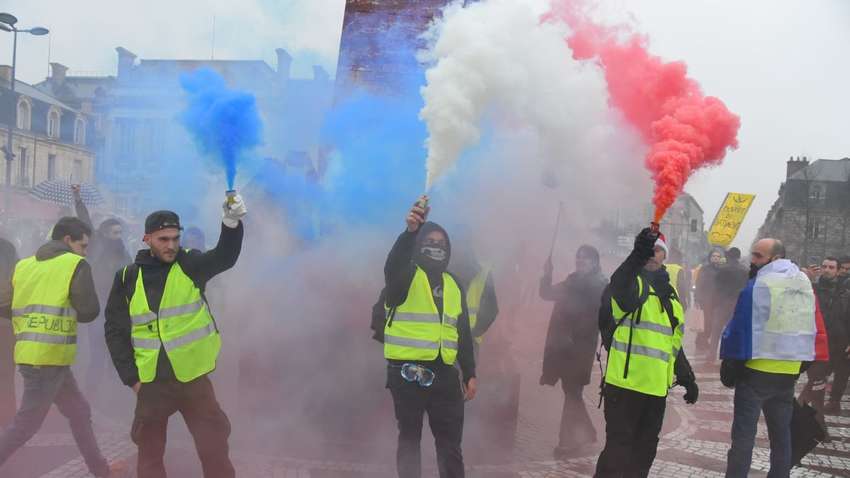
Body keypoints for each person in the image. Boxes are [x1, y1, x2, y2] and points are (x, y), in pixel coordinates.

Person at [104, 194, 247, 478]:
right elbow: (114, 331)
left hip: (194, 380)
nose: (171, 245)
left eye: (174, 238)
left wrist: (231, 223)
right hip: (152, 384)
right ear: (147, 239)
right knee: (149, 459)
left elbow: (224, 257)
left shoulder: (190, 265)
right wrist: (132, 379)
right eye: (163, 239)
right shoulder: (127, 278)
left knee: (215, 450)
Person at [0, 217, 125, 477]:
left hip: (36, 355)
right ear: (68, 240)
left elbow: (5, 305)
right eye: (84, 245)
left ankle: (100, 470)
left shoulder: (25, 265)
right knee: (25, 425)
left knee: (79, 412)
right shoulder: (75, 264)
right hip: (49, 358)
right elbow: (89, 311)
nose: (86, 251)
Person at [382, 196, 477, 478]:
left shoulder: (453, 283)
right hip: (407, 373)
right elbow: (392, 267)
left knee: (450, 445)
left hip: (445, 375)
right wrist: (409, 233)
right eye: (430, 242)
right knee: (410, 440)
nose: (436, 247)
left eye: (442, 244)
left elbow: (462, 331)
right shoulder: (406, 275)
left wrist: (470, 371)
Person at [595, 229, 698, 477]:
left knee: (643, 454)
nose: (653, 254)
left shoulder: (671, 297)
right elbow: (620, 283)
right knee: (617, 454)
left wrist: (687, 377)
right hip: (625, 385)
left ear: (665, 255)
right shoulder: (631, 284)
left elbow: (671, 343)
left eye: (659, 250)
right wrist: (636, 254)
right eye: (649, 250)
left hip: (655, 391)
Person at [720, 239, 818, 477]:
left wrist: (730, 364)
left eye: (758, 256)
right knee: (781, 436)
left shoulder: (760, 284)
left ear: (774, 258)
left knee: (743, 437)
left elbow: (740, 327)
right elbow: (810, 324)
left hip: (757, 370)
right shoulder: (803, 282)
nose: (752, 260)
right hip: (788, 371)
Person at [539, 244, 607, 459]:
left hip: (580, 350)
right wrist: (546, 274)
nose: (580, 261)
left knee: (572, 394)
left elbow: (595, 319)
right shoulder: (571, 282)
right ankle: (586, 433)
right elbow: (546, 294)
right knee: (572, 393)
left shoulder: (599, 285)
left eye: (585, 258)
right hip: (563, 348)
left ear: (595, 262)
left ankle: (567, 442)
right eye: (578, 257)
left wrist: (573, 335)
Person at [73, 186, 132, 397]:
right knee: (98, 353)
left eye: (120, 233)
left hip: (118, 310)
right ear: (105, 233)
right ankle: (92, 394)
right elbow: (86, 222)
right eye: (114, 233)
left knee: (116, 354)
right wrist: (78, 199)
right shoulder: (96, 245)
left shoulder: (125, 253)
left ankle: (113, 396)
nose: (118, 236)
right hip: (99, 308)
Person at [812, 258, 850, 414]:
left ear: (837, 270)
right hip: (819, 340)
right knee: (817, 379)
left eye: (831, 267)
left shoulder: (845, 294)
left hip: (840, 342)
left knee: (841, 374)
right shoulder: (813, 289)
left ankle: (832, 403)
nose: (827, 269)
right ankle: (814, 412)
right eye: (824, 266)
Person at [710, 248, 750, 360]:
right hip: (738, 304)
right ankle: (733, 355)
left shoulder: (722, 270)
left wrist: (713, 304)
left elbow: (716, 288)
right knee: (734, 331)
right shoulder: (745, 270)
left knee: (716, 330)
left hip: (723, 303)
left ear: (728, 256)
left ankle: (712, 354)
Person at [0, 237, 18, 426]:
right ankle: (7, 419)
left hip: (5, 320)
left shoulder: (7, 248)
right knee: (5, 374)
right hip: (6, 320)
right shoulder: (8, 248)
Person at [695, 248, 724, 356]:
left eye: (718, 256)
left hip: (716, 300)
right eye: (714, 256)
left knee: (712, 323)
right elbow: (699, 283)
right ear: (710, 258)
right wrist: (697, 299)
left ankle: (702, 340)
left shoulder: (721, 270)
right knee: (705, 322)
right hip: (705, 299)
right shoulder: (705, 269)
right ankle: (701, 341)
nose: (715, 258)